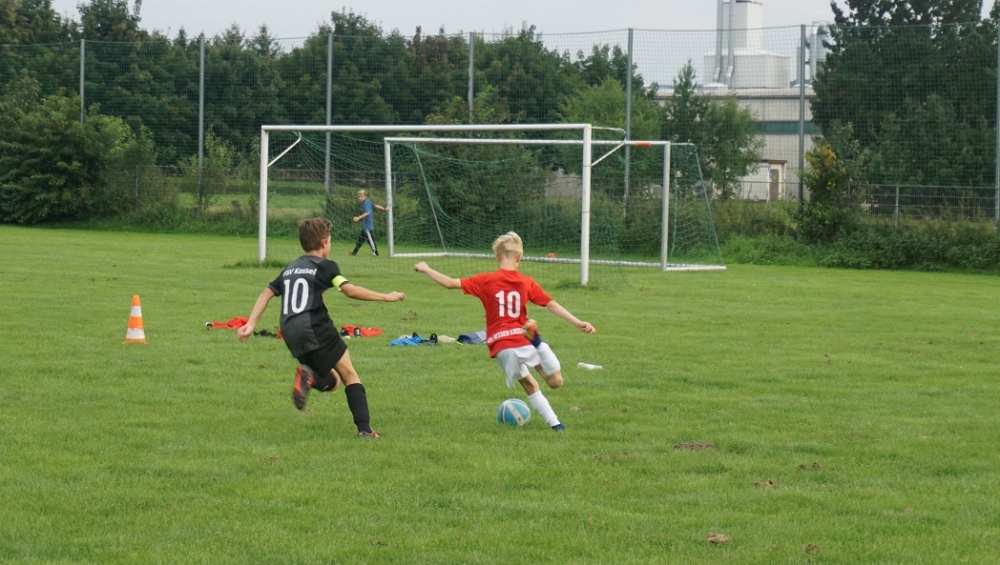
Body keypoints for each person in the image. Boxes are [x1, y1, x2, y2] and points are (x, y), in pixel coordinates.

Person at [238, 217, 406, 439]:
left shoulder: (290, 268)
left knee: (332, 381)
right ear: (324, 242)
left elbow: (267, 292)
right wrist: (386, 296)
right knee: (349, 374)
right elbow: (349, 290)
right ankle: (365, 430)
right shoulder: (326, 267)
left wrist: (251, 323)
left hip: (290, 331)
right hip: (315, 326)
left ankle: (310, 377)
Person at [414, 231, 595, 431]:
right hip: (522, 339)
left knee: (529, 385)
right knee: (555, 382)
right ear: (519, 257)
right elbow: (550, 304)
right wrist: (577, 322)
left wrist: (426, 268)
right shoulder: (526, 281)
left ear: (497, 256)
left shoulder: (485, 280)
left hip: (500, 346)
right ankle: (538, 343)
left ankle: (556, 426)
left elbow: (449, 283)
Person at [348, 189, 390, 257]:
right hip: (364, 227)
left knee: (371, 241)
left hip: (368, 227)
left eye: (361, 196)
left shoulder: (365, 203)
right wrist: (384, 208)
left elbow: (368, 213)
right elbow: (375, 205)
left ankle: (375, 253)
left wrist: (358, 217)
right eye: (359, 196)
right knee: (360, 240)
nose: (360, 198)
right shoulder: (367, 202)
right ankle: (354, 253)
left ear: (365, 196)